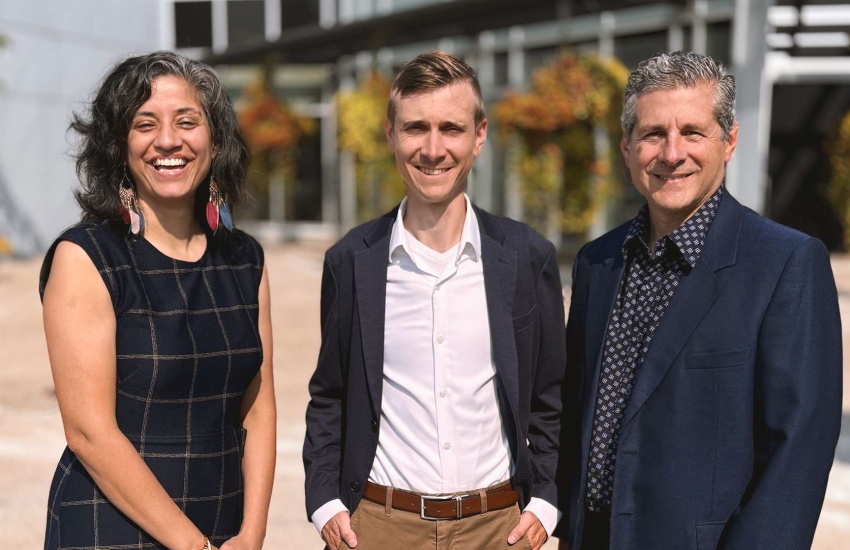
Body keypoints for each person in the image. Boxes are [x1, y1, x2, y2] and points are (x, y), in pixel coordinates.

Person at [556, 50, 842, 550]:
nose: (671, 153)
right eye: (652, 134)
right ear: (626, 148)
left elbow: (797, 451)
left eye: (692, 132)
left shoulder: (785, 264)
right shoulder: (596, 264)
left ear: (728, 141)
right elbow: (576, 412)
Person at [303, 51, 566, 550]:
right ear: (390, 135)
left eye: (451, 128)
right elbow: (330, 395)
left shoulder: (529, 257)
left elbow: (550, 398)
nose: (432, 148)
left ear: (479, 135)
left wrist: (546, 501)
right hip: (379, 526)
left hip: (498, 528)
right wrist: (325, 502)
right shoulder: (351, 262)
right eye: (415, 128)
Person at [40, 51, 276, 550]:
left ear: (215, 138)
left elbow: (258, 408)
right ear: (119, 147)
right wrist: (192, 547)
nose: (168, 141)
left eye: (187, 122)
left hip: (224, 527)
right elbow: (89, 433)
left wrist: (251, 536)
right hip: (111, 527)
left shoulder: (245, 260)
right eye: (145, 124)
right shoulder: (86, 258)